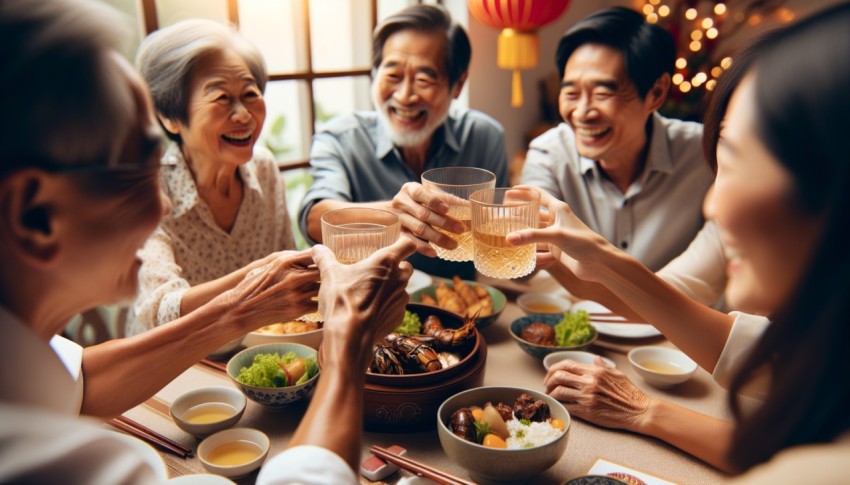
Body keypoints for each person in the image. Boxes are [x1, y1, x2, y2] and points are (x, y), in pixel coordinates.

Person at [0, 0, 417, 482]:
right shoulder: (61, 463)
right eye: (134, 170)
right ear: (32, 213)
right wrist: (349, 341)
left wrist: (248, 306)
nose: (157, 206)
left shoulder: (27, 364)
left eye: (252, 93)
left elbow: (78, 382)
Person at [509, 3, 850, 480]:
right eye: (571, 90)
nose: (714, 205)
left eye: (743, 160)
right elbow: (753, 351)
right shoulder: (820, 342)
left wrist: (643, 409)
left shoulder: (692, 154)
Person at [298, 4, 508, 279]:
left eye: (424, 78)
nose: (405, 95)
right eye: (393, 75)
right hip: (371, 304)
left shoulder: (484, 137)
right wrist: (390, 213)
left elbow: (498, 238)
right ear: (375, 75)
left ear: (457, 85)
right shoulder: (340, 138)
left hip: (460, 307)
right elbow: (315, 218)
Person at [128, 19, 303, 334]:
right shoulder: (150, 188)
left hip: (257, 354)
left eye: (250, 94)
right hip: (175, 364)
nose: (243, 115)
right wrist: (260, 274)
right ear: (170, 118)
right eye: (222, 98)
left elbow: (287, 273)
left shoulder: (263, 168)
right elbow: (161, 311)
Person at [521, 7, 714, 272]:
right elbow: (523, 254)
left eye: (602, 93)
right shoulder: (549, 154)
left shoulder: (705, 155)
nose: (582, 113)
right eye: (572, 93)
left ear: (656, 93)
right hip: (579, 312)